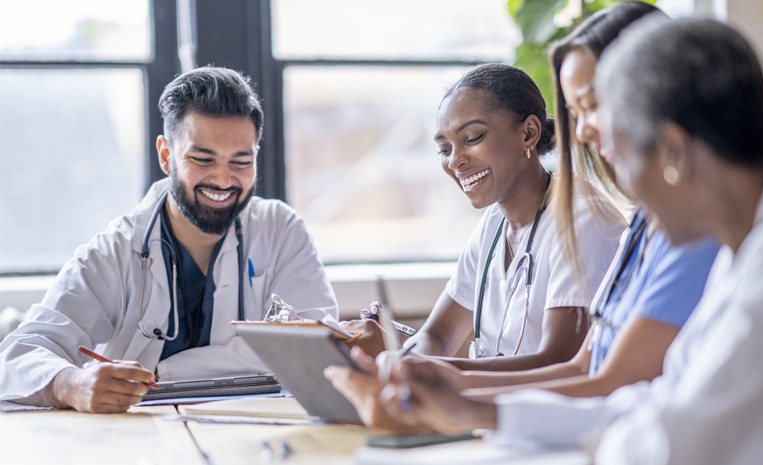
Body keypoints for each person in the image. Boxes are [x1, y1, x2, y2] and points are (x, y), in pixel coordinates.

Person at [373, 18, 763, 464]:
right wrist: (473, 408)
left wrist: (475, 402)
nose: (628, 201)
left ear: (673, 153)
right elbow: (651, 402)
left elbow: (675, 439)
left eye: (623, 159)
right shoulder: (747, 249)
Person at [327, 0, 718, 425]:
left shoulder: (632, 225)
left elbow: (585, 369)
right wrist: (416, 373)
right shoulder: (647, 227)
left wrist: (455, 396)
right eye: (444, 148)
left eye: (593, 107)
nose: (584, 131)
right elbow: (582, 368)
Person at [0, 67, 337, 413]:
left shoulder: (281, 231)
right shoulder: (114, 252)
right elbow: (18, 354)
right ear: (166, 155)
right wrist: (71, 384)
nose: (223, 179)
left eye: (241, 160)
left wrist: (163, 372)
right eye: (202, 159)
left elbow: (318, 355)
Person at [346, 63, 623, 372]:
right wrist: (397, 356)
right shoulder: (494, 224)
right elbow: (437, 337)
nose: (455, 161)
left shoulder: (583, 220)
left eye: (473, 137)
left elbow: (560, 363)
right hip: (493, 410)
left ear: (528, 133)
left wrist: (432, 373)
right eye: (444, 148)